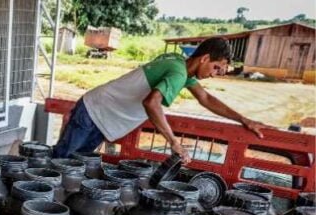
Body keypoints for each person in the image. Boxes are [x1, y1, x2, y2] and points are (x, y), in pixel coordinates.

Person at [54, 37, 267, 163]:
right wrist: (173, 142)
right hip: (94, 111)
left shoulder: (179, 64)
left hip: (102, 115)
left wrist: (243, 120)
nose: (214, 73)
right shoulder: (178, 73)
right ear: (204, 58)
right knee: (59, 162)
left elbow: (205, 98)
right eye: (216, 67)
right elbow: (151, 103)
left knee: (75, 164)